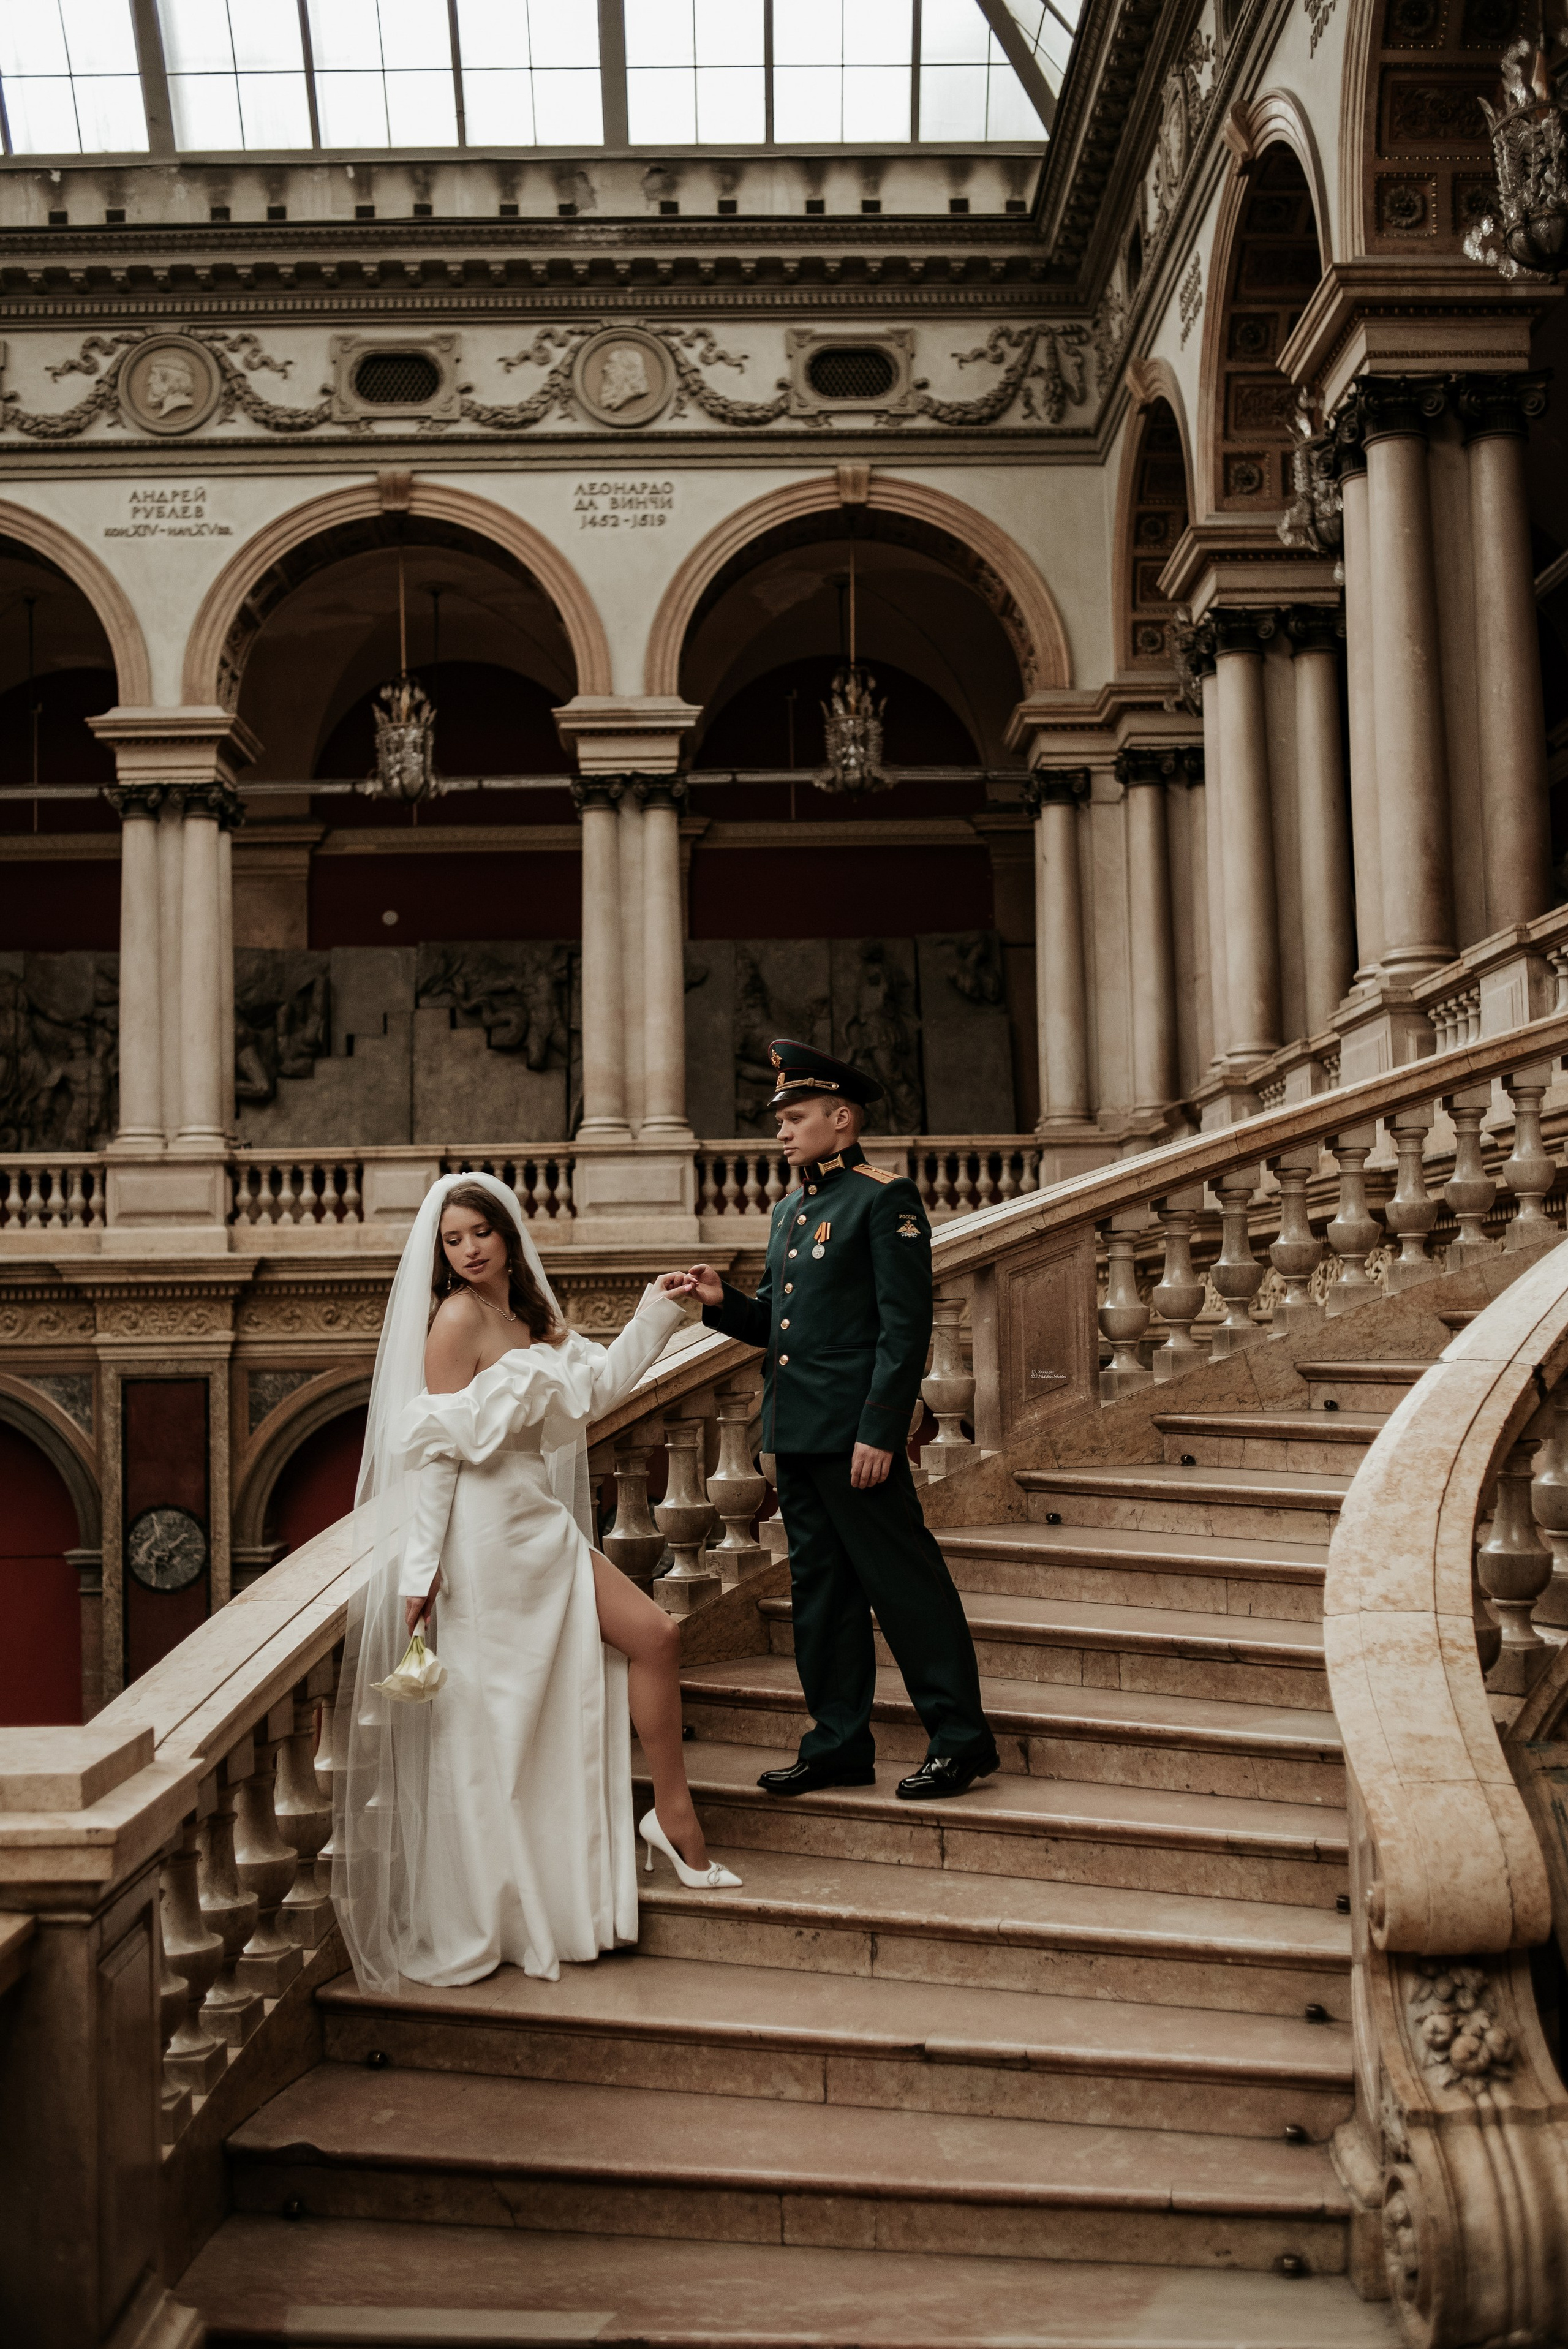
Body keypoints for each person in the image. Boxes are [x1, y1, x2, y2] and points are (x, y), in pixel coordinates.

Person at [332, 1170, 739, 1995]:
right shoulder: (453, 1319)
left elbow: (596, 1386)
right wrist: (421, 1570)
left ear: (507, 1232)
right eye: (453, 1239)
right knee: (504, 1721)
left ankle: (668, 1815)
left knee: (654, 1637)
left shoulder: (528, 1316)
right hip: (482, 1536)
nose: (469, 1248)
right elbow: (439, 1451)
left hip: (538, 1520)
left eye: (480, 1231)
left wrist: (659, 1308)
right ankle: (513, 1904)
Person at [683, 1041, 998, 1801]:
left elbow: (903, 1326)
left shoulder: (882, 1198)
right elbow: (782, 1331)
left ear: (842, 1117)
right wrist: (723, 1301)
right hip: (796, 1435)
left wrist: (881, 1429)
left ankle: (960, 1741)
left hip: (856, 1438)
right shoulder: (792, 1211)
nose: (782, 1132)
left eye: (795, 1118)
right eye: (781, 1120)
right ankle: (837, 1743)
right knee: (822, 1598)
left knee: (905, 1588)